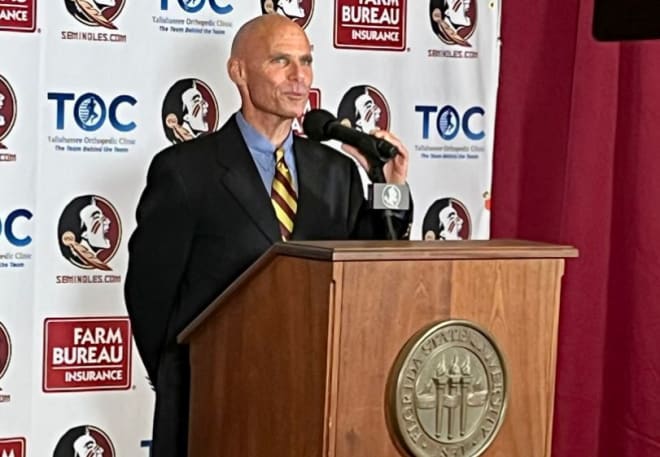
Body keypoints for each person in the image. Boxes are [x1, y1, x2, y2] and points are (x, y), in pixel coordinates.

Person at [125, 14, 412, 457]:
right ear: (238, 72)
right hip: (210, 406)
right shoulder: (185, 171)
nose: (300, 78)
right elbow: (151, 297)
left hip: (312, 405)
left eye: (307, 61)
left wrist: (389, 186)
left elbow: (372, 275)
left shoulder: (336, 172)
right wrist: (185, 377)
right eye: (281, 61)